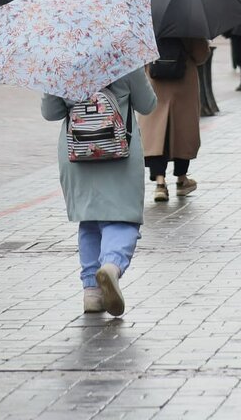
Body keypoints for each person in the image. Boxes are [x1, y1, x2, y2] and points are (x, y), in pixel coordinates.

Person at [41, 67, 156, 316]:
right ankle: (112, 266)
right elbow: (147, 105)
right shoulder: (124, 57)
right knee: (123, 217)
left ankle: (92, 292)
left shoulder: (61, 62)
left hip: (77, 152)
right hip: (120, 149)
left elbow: (50, 113)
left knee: (89, 220)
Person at [138, 38, 211, 200]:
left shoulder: (149, 22)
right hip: (183, 81)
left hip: (155, 80)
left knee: (156, 133)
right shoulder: (189, 23)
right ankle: (182, 179)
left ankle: (160, 183)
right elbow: (200, 55)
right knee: (182, 130)